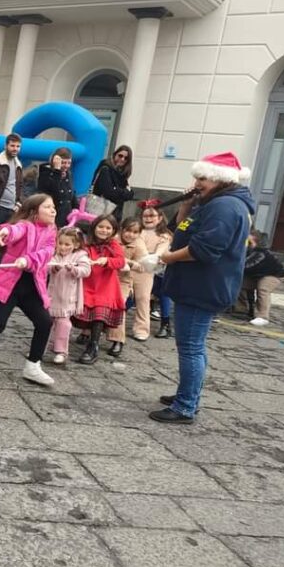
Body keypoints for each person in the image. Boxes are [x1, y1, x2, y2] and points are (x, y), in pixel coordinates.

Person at [152, 153, 255, 424]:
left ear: (221, 179)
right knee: (193, 346)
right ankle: (188, 395)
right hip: (195, 284)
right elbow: (183, 228)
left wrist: (164, 258)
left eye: (202, 178)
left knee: (190, 347)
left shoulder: (224, 207)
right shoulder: (211, 202)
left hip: (203, 287)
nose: (197, 183)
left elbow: (203, 250)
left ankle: (185, 406)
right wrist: (187, 204)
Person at [0, 194, 58, 386]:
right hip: (9, 284)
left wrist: (28, 260)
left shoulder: (52, 230)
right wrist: (3, 234)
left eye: (53, 207)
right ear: (34, 212)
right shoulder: (25, 225)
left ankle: (33, 365)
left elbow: (47, 252)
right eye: (48, 207)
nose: (53, 210)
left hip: (33, 286)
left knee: (44, 322)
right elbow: (14, 229)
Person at [74, 214, 126, 364]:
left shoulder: (114, 245)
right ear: (94, 227)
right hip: (88, 283)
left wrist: (107, 260)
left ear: (114, 230)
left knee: (99, 314)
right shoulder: (86, 244)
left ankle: (93, 346)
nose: (104, 230)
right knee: (83, 312)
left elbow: (120, 261)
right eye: (101, 227)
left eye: (108, 228)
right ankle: (61, 341)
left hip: (105, 285)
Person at [46, 226, 92, 364]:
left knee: (63, 324)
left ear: (76, 244)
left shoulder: (80, 256)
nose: (63, 247)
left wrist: (74, 269)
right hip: (52, 294)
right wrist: (54, 267)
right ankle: (41, 346)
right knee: (46, 322)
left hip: (68, 297)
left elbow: (86, 270)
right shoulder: (54, 255)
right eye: (60, 243)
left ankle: (61, 351)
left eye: (67, 244)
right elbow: (46, 267)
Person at [109, 217, 152, 350]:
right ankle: (86, 332)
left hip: (123, 281)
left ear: (139, 234)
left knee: (119, 306)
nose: (130, 235)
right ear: (121, 230)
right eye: (128, 231)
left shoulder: (139, 246)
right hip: (106, 277)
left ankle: (117, 339)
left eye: (135, 232)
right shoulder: (113, 240)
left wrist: (131, 263)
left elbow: (142, 265)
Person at [237, 229, 284, 326]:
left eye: (249, 241)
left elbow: (247, 266)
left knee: (263, 289)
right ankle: (241, 309)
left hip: (273, 275)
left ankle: (263, 317)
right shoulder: (249, 251)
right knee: (237, 282)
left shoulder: (261, 253)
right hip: (256, 275)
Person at [141, 205, 174, 338]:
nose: (148, 219)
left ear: (160, 218)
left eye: (152, 216)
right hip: (141, 268)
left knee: (163, 294)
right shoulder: (138, 232)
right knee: (137, 295)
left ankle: (165, 324)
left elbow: (164, 250)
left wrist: (157, 257)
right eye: (145, 216)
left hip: (159, 269)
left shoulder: (165, 235)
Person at [0, 133, 24, 230]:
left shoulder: (18, 164)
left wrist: (19, 203)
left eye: (18, 146)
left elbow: (19, 185)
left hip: (12, 210)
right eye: (12, 145)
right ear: (5, 146)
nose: (15, 148)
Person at [93, 145, 134, 221]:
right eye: (120, 156)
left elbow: (131, 194)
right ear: (115, 154)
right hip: (101, 210)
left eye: (126, 158)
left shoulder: (122, 173)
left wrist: (117, 190)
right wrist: (123, 192)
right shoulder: (106, 168)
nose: (122, 159)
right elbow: (108, 192)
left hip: (115, 212)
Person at [37, 147, 75, 227]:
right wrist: (57, 171)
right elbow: (55, 191)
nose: (66, 166)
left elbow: (71, 193)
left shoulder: (68, 174)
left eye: (69, 163)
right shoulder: (46, 174)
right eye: (63, 163)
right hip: (53, 215)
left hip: (66, 216)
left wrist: (76, 209)